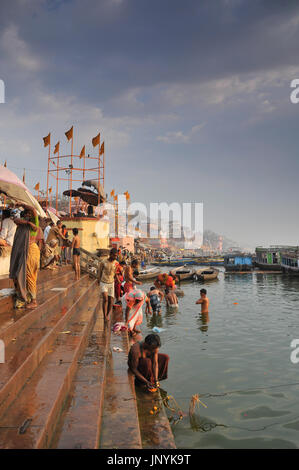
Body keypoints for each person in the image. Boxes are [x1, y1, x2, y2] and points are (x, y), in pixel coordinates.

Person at [9, 203, 40, 309]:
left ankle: (34, 300)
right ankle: (28, 297)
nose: (28, 215)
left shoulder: (34, 223)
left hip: (31, 250)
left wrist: (22, 204)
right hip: (26, 251)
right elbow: (15, 220)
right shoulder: (24, 223)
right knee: (26, 274)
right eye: (26, 214)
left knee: (29, 275)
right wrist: (27, 222)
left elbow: (33, 210)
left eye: (29, 214)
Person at [98, 247, 118, 322]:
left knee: (111, 300)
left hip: (111, 283)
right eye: (114, 255)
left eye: (116, 256)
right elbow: (99, 271)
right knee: (105, 299)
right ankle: (104, 316)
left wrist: (117, 280)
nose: (115, 257)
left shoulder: (116, 263)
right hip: (103, 282)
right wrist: (98, 280)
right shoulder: (103, 262)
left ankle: (108, 314)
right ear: (110, 255)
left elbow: (115, 273)